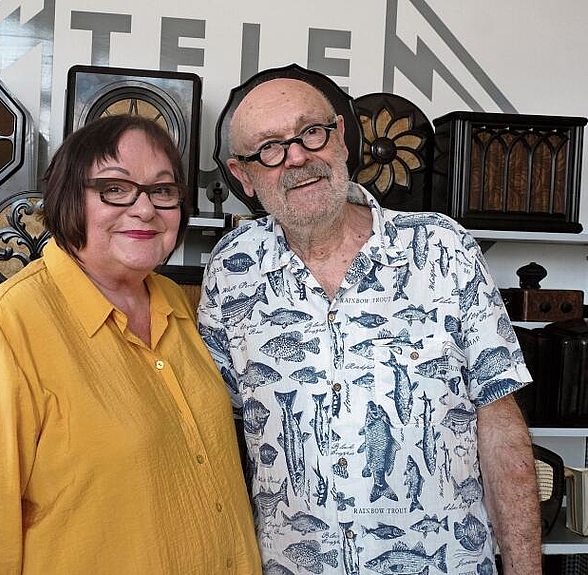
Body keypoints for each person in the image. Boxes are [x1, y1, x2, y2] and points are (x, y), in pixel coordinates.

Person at [197, 69, 541, 574]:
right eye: (269, 147)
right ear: (242, 174)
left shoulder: (442, 248)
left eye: (310, 132)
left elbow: (499, 421)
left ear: (339, 135)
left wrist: (525, 566)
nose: (297, 157)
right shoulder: (231, 269)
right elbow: (215, 432)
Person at [0, 115, 261, 574]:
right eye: (115, 188)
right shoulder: (4, 330)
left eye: (163, 190)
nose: (145, 209)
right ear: (68, 198)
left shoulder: (179, 304)